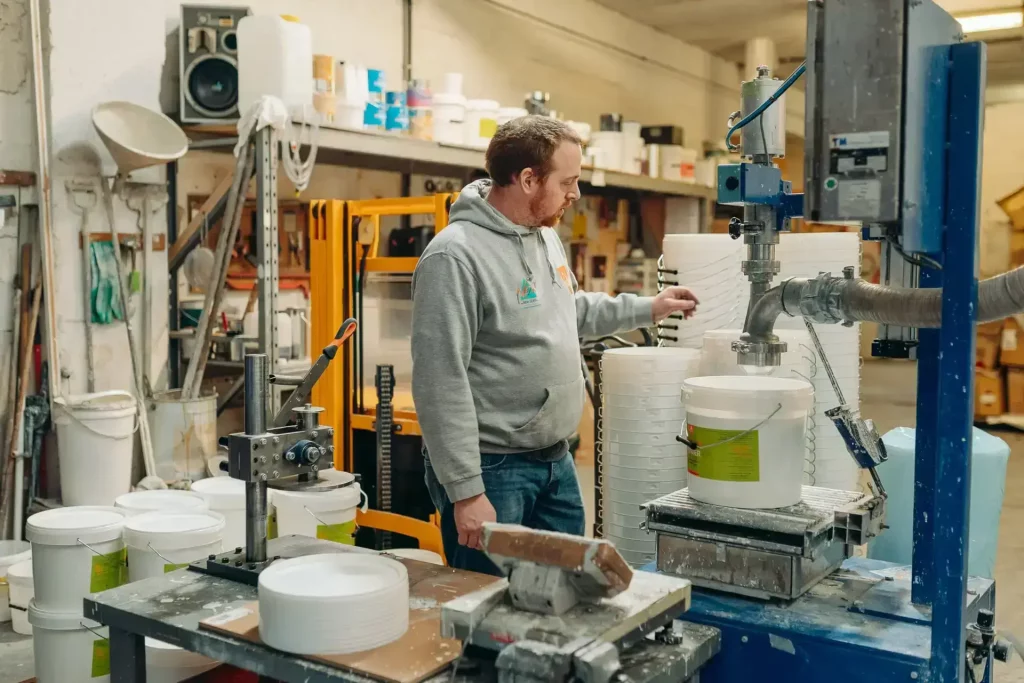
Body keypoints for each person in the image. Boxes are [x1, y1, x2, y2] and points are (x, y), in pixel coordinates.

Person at [411, 116, 699, 574]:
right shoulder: (454, 257)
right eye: (569, 181)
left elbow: (569, 310)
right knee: (490, 607)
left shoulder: (544, 236)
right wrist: (466, 492)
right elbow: (438, 380)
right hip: (494, 470)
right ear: (528, 179)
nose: (576, 193)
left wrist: (649, 307)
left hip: (555, 462)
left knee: (565, 594)